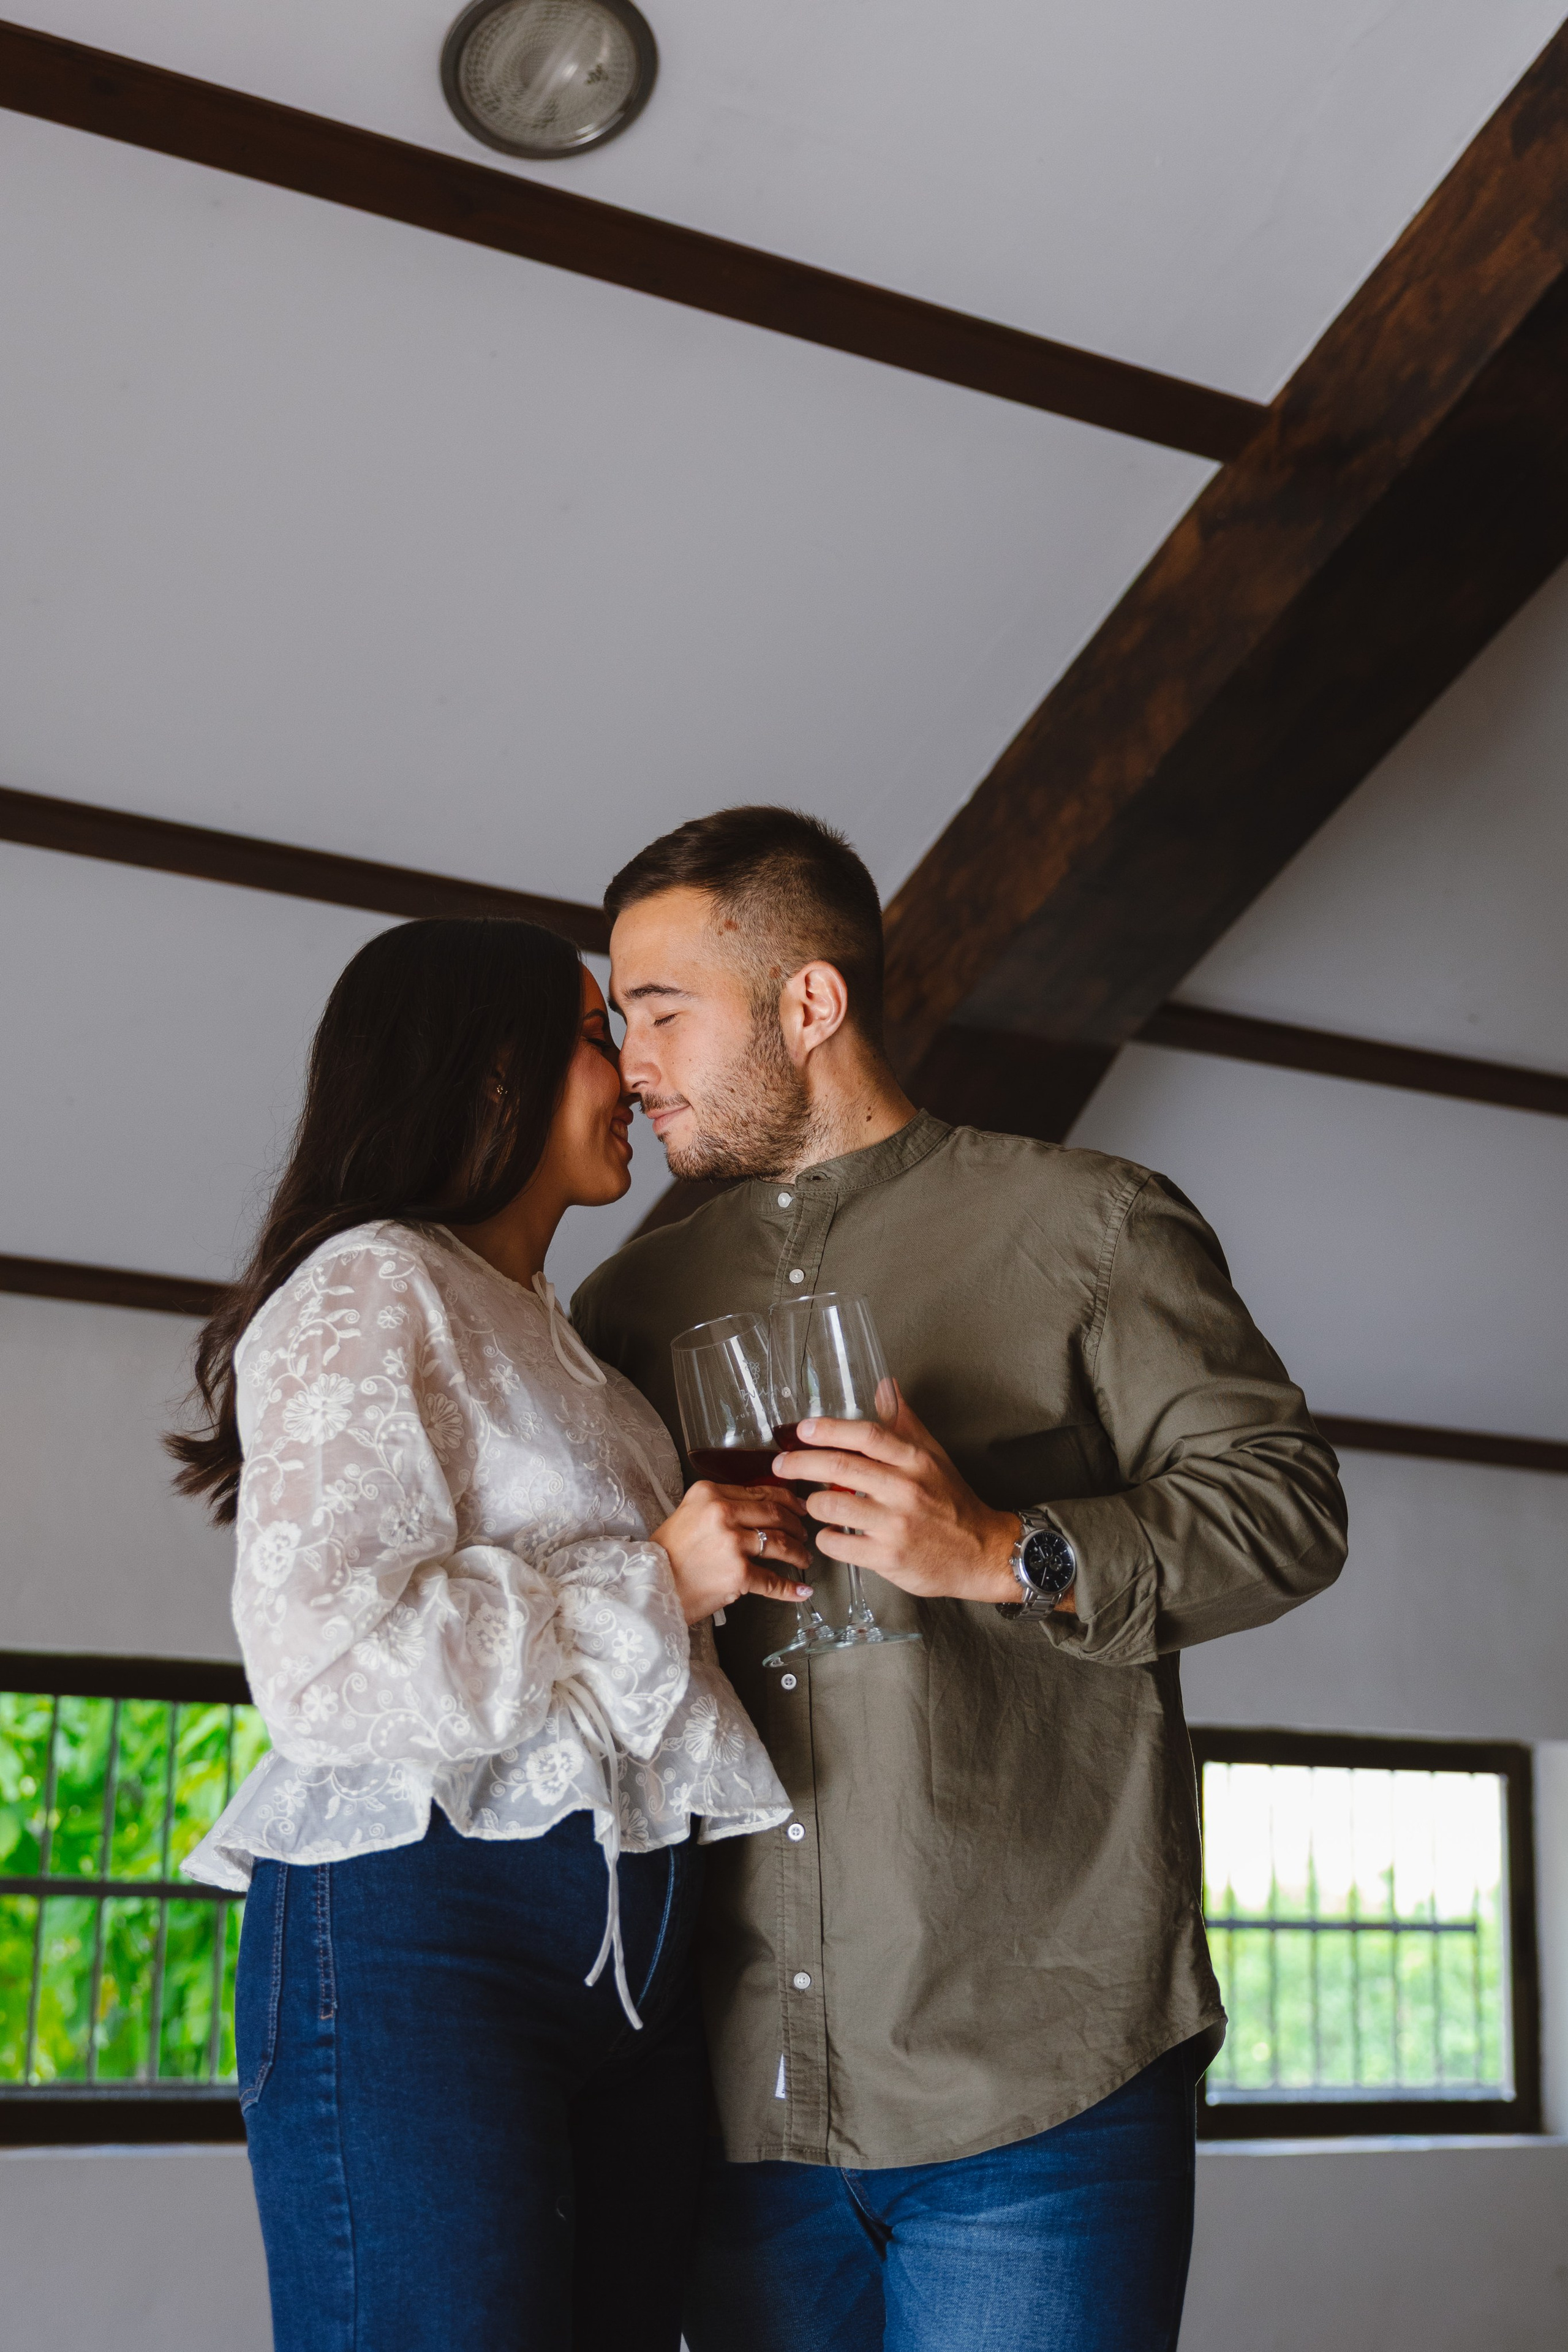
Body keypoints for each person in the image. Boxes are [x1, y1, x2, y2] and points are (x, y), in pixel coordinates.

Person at [571, 807, 1349, 2352]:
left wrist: (1003, 1549)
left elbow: (1285, 1509)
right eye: (617, 1018)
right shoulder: (624, 1307)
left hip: (1038, 2083)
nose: (630, 1058)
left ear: (808, 1004)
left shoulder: (1088, 1226)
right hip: (732, 2109)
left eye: (662, 1010)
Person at [168, 916, 819, 2352]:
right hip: (420, 1941)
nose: (638, 1073)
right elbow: (328, 1674)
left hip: (629, 1969)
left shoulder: (566, 1337)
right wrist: (655, 1577)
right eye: (601, 1034)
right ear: (489, 1076)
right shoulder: (366, 1285)